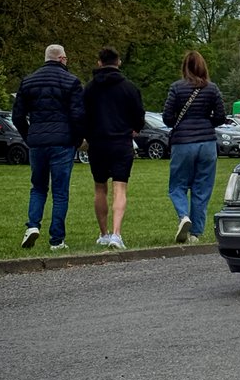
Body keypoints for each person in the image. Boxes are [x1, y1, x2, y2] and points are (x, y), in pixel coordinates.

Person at [12, 43, 86, 251]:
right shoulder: (71, 81)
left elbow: (17, 115)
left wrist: (29, 135)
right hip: (62, 142)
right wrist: (77, 138)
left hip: (37, 141)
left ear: (46, 58)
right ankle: (57, 239)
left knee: (38, 187)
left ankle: (33, 225)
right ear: (62, 59)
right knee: (60, 191)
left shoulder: (28, 81)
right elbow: (78, 115)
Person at [83, 47, 145, 250]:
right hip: (121, 142)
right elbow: (139, 117)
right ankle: (116, 234)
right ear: (118, 62)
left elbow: (81, 115)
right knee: (120, 187)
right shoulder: (129, 87)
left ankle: (103, 233)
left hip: (97, 143)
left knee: (99, 187)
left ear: (99, 62)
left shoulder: (90, 88)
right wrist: (134, 127)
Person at [162, 50, 226, 244]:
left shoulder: (176, 88)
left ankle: (183, 216)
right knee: (202, 188)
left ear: (185, 67)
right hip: (207, 143)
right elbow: (221, 116)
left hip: (183, 143)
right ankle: (196, 234)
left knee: (177, 186)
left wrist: (182, 123)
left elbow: (167, 118)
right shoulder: (212, 89)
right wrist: (206, 123)